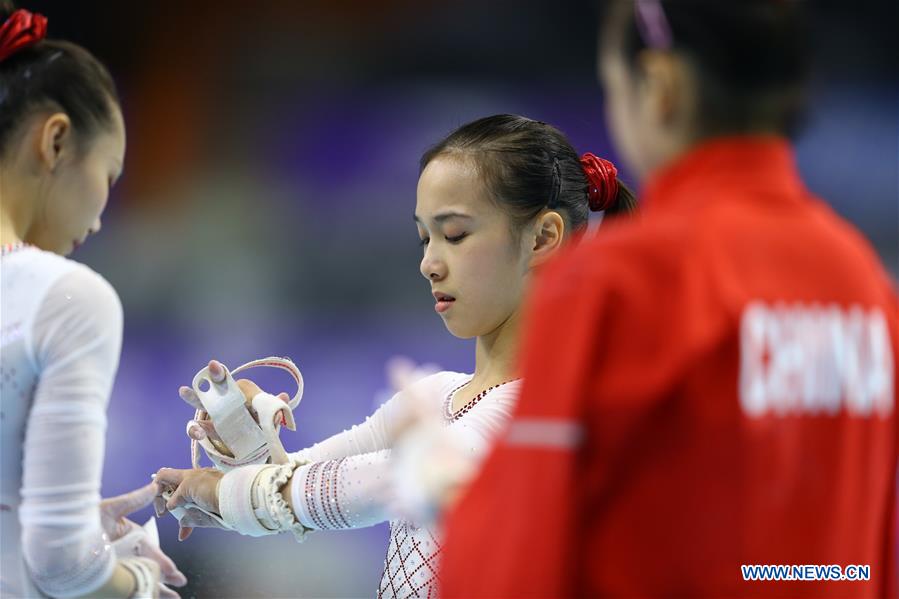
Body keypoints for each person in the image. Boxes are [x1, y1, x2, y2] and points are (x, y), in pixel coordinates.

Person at [438, 1, 898, 597]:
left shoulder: (619, 279)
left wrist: (448, 495)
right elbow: (869, 563)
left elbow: (507, 574)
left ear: (659, 85)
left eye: (612, 86)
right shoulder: (863, 284)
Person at [153, 113, 636, 598]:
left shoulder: (550, 410)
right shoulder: (436, 396)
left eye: (455, 235)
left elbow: (374, 485)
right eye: (425, 238)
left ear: (543, 237)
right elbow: (295, 484)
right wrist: (246, 439)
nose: (429, 263)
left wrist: (226, 494)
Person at [0, 4, 186, 597]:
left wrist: (45, 508)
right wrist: (136, 583)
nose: (103, 219)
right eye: (110, 175)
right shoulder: (65, 296)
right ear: (54, 141)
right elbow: (62, 565)